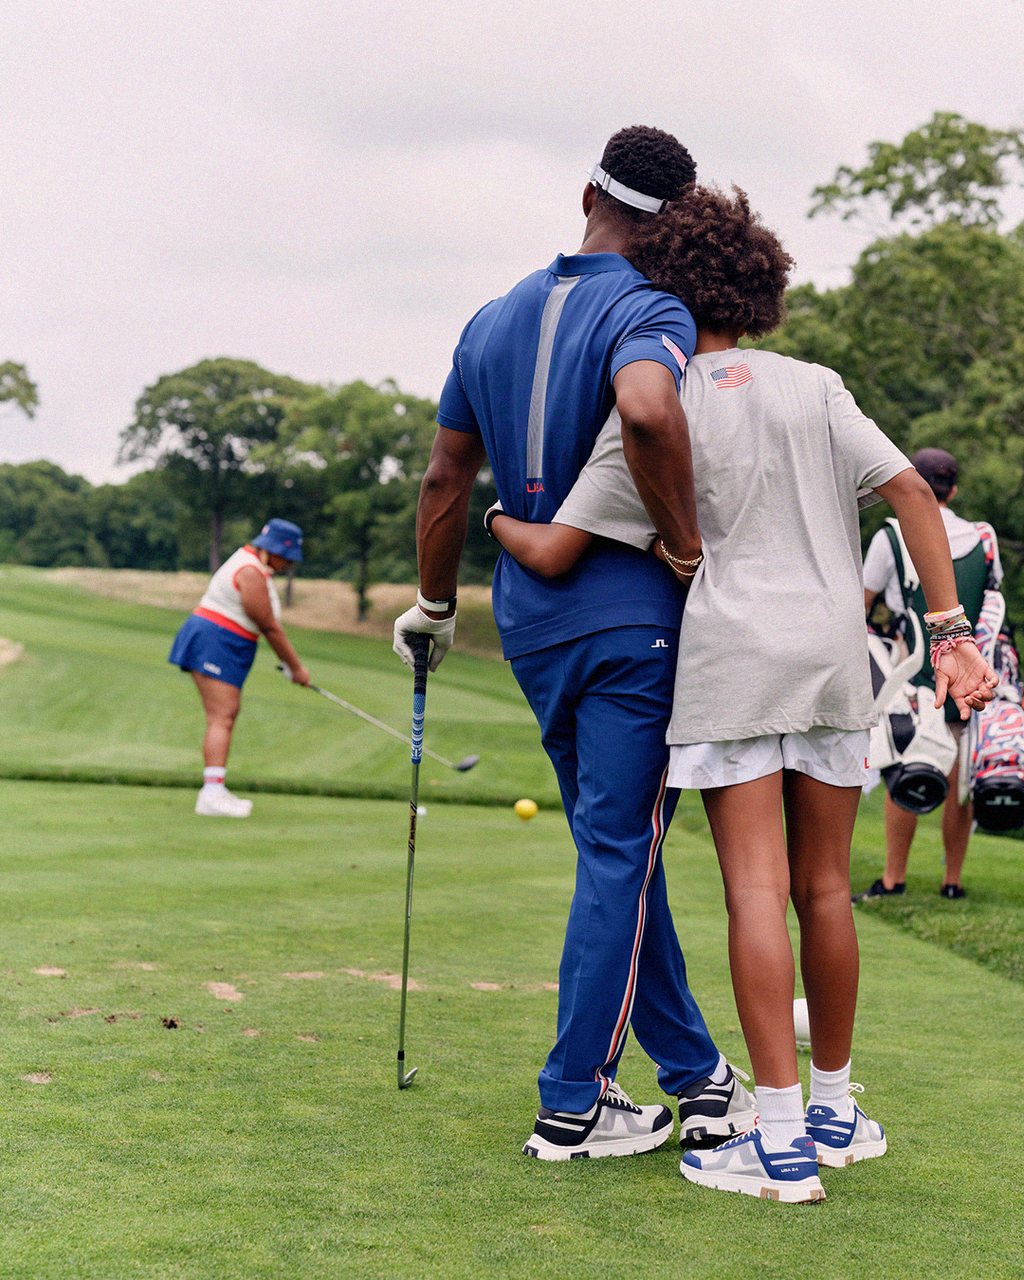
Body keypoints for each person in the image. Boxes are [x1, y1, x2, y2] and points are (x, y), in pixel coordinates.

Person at [486, 185, 997, 1201]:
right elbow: (909, 491)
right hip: (830, 657)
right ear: (759, 284)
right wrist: (948, 633)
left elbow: (553, 550)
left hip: (729, 661)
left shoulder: (655, 403)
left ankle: (777, 1141)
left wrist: (497, 515)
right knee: (825, 890)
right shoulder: (816, 384)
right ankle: (835, 1111)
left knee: (754, 893)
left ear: (663, 287)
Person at [392, 127, 757, 1161]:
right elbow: (646, 406)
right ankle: (574, 1101)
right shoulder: (653, 308)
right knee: (620, 850)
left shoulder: (489, 317)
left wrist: (434, 606)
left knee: (615, 852)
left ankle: (694, 1076)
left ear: (584, 194)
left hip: (533, 627)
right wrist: (685, 546)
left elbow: (444, 481)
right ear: (676, 220)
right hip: (630, 622)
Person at [855, 448, 1002, 900]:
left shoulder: (891, 535)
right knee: (959, 778)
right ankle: (951, 881)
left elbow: (861, 604)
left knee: (907, 767)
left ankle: (893, 878)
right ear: (953, 490)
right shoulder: (984, 537)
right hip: (969, 671)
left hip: (911, 670)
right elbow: (992, 606)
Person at [169, 518, 310, 817]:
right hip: (214, 640)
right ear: (272, 549)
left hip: (226, 642)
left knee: (226, 715)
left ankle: (215, 789)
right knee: (221, 716)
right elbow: (269, 627)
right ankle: (211, 795)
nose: (288, 564)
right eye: (286, 557)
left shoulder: (256, 566)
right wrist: (295, 667)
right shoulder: (250, 571)